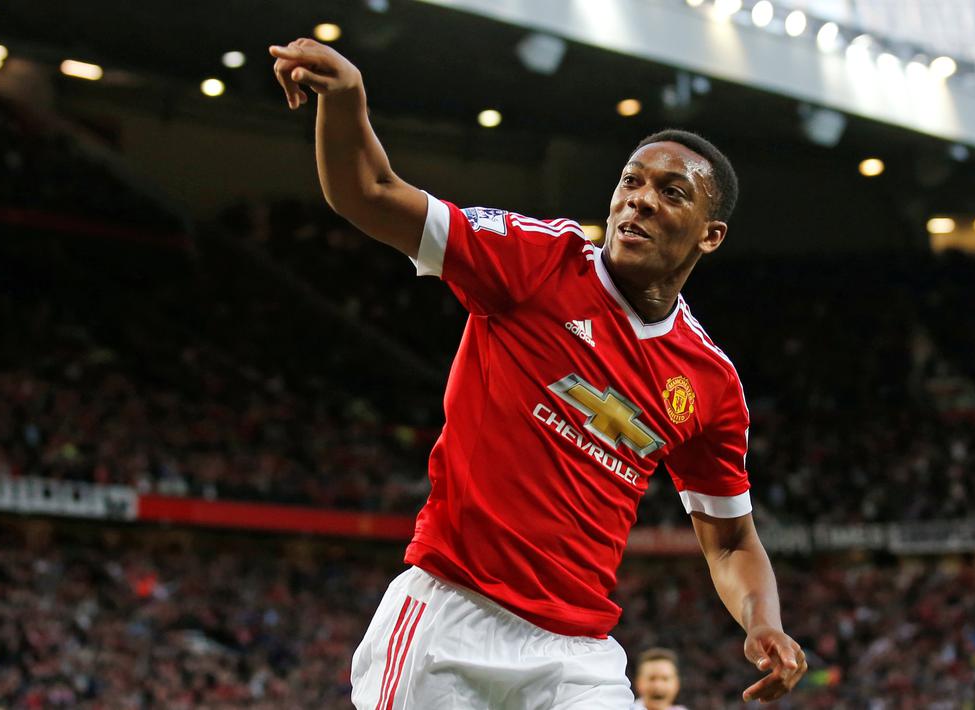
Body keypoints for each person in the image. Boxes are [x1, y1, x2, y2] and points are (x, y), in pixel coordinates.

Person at [269, 37, 808, 708]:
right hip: (450, 617)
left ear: (710, 234)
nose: (639, 200)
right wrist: (347, 100)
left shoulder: (709, 383)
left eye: (671, 192)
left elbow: (729, 542)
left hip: (574, 657)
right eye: (630, 182)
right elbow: (370, 193)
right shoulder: (536, 260)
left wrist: (762, 621)